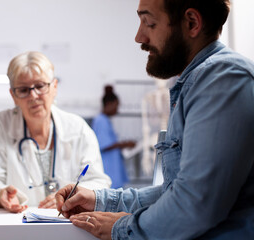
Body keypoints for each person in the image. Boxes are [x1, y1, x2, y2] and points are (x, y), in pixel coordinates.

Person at [55, 0, 254, 239]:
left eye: (149, 23)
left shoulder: (222, 80)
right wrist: (101, 200)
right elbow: (173, 193)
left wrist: (122, 228)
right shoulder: (196, 84)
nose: (139, 37)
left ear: (191, 23)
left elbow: (194, 204)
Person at [0, 51, 111, 213]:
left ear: (54, 87)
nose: (33, 95)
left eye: (40, 86)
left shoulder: (78, 129)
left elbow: (98, 181)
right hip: (16, 224)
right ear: (13, 95)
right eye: (23, 90)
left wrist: (73, 195)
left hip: (68, 224)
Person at [91, 85, 136, 188]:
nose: (117, 110)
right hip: (108, 168)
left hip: (113, 167)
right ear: (109, 104)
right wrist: (124, 144)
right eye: (116, 106)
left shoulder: (105, 120)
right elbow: (104, 144)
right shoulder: (100, 120)